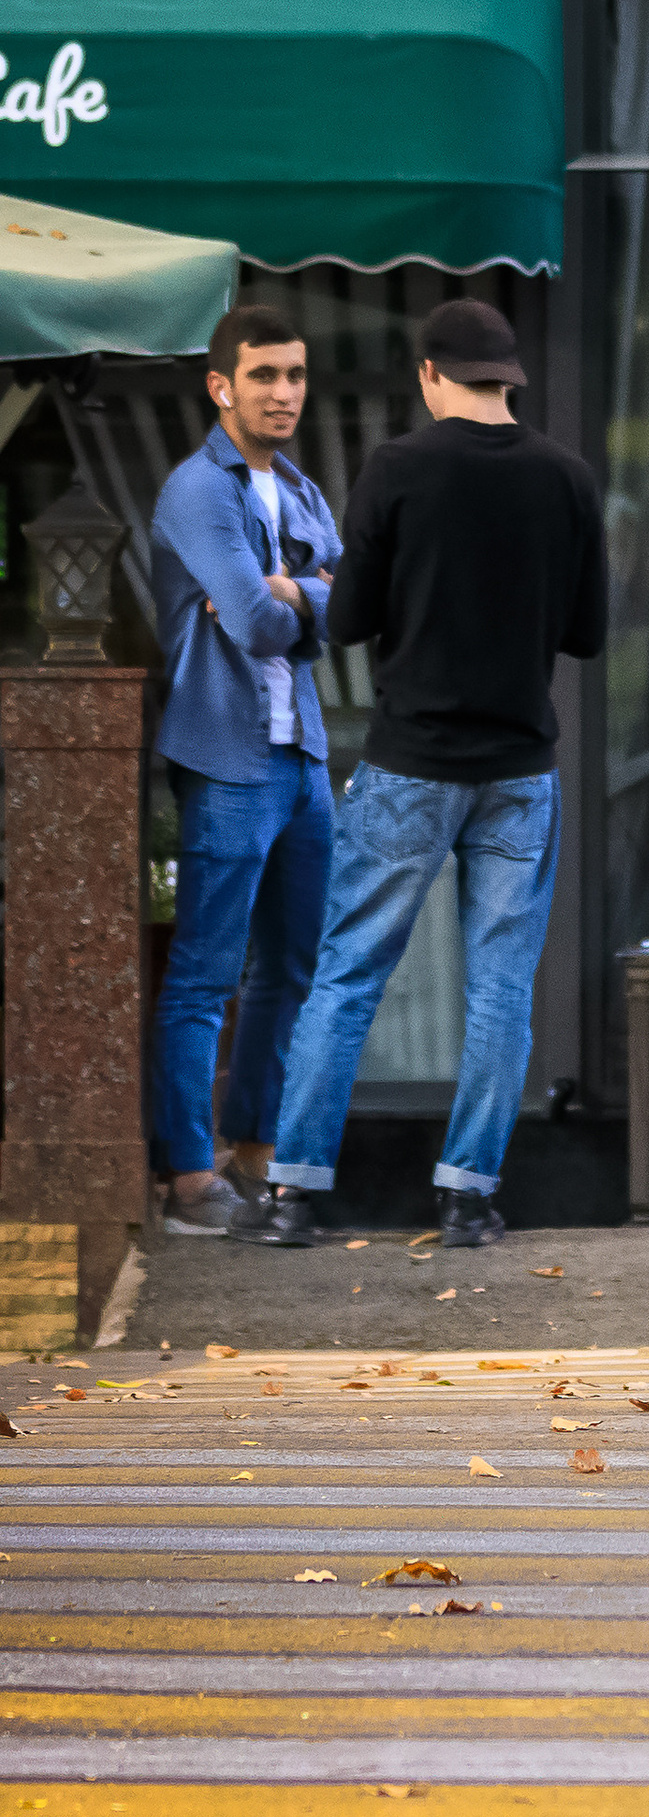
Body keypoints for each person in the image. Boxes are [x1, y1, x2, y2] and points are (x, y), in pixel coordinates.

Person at [233, 299, 606, 1248]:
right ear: (507, 378)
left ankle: (294, 1197)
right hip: (520, 771)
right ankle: (468, 1199)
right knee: (500, 991)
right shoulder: (568, 478)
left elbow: (351, 619)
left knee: (348, 975)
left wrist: (322, 590)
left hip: (410, 766)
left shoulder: (397, 468)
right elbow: (587, 633)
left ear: (431, 375)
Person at [147, 304, 341, 1235]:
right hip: (227, 757)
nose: (283, 392)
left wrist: (290, 591)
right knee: (203, 975)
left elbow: (354, 604)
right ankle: (189, 1177)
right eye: (264, 375)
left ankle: (254, 1155)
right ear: (221, 386)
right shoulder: (198, 491)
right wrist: (305, 599)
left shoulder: (299, 489)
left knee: (292, 967)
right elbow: (262, 628)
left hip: (302, 756)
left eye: (295, 374)